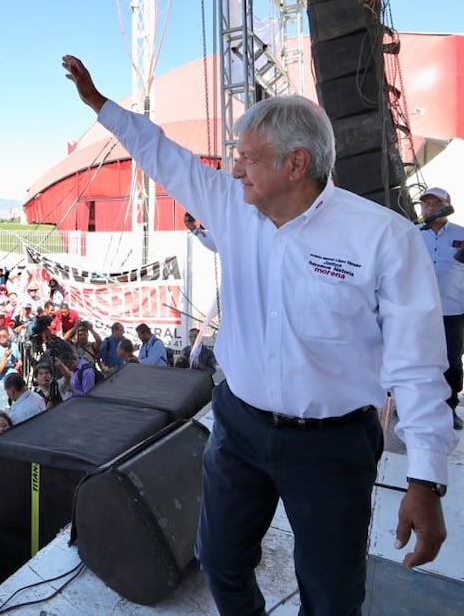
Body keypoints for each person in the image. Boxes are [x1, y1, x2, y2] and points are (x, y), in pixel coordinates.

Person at [63, 54, 455, 614]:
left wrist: (425, 479)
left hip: (332, 446)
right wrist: (101, 106)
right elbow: (161, 156)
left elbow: (417, 366)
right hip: (239, 429)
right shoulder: (230, 206)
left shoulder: (383, 239)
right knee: (219, 560)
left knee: (331, 594)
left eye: (247, 158)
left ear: (297, 164)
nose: (236, 169)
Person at [418, 187, 464, 430]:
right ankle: (414, 407)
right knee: (418, 361)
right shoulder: (412, 234)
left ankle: (449, 408)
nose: (430, 208)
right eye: (426, 204)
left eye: (436, 203)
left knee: (452, 363)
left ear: (448, 205)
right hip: (418, 312)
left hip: (453, 311)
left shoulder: (462, 235)